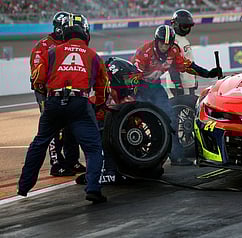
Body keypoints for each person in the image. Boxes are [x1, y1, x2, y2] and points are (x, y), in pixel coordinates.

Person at [19, 13, 109, 204]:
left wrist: (50, 93)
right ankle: (93, 189)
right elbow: (103, 88)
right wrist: (95, 105)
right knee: (93, 148)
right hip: (79, 102)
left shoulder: (51, 52)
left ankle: (24, 186)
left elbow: (37, 79)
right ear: (85, 32)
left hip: (53, 101)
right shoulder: (93, 55)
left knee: (39, 142)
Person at [131, 24, 222, 166]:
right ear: (156, 41)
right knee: (135, 120)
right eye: (162, 43)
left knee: (170, 119)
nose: (164, 47)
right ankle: (136, 156)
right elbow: (132, 75)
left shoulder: (174, 51)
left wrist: (207, 73)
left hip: (155, 86)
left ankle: (177, 157)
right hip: (139, 87)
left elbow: (187, 66)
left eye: (168, 44)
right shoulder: (144, 51)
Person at [29, 11, 85, 177]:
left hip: (66, 92)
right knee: (54, 126)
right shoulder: (43, 46)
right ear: (61, 28)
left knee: (71, 125)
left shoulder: (70, 45)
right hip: (46, 92)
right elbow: (37, 75)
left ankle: (72, 160)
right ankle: (56, 163)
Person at [166, 9, 197, 96]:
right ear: (176, 25)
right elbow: (171, 65)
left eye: (188, 26)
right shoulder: (173, 41)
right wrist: (178, 85)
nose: (187, 29)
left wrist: (194, 79)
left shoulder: (182, 39)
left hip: (187, 83)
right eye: (184, 26)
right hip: (181, 84)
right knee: (184, 107)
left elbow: (189, 60)